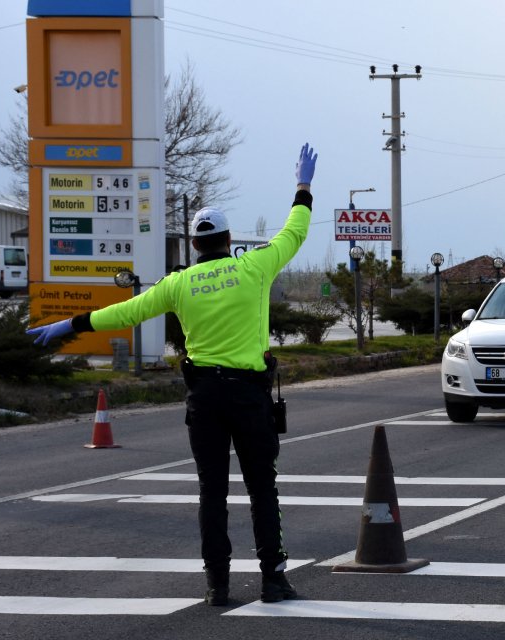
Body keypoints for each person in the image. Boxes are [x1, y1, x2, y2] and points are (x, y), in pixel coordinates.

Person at [27, 143, 318, 606]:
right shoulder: (255, 266)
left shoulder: (178, 283)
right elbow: (295, 231)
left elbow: (126, 312)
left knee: (212, 493)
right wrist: (302, 186)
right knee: (262, 489)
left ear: (194, 245)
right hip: (249, 396)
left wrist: (71, 324)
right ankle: (273, 579)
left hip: (204, 398)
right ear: (228, 240)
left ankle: (217, 585)